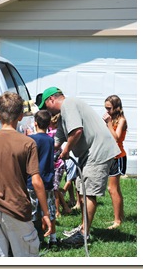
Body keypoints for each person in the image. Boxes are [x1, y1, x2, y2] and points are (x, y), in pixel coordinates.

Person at [38, 87, 121, 247]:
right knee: (81, 191)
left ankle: (84, 234)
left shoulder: (69, 104)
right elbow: (57, 140)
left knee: (88, 193)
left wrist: (67, 150)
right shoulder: (64, 114)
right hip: (88, 154)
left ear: (52, 100)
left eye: (45, 106)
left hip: (98, 151)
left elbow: (76, 131)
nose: (46, 111)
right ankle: (83, 227)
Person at [0, 92, 51, 257]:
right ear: (21, 116)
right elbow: (36, 181)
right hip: (17, 210)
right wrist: (46, 213)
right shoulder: (28, 143)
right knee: (25, 257)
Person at [27, 110, 59, 249]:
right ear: (48, 124)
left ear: (35, 123)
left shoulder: (31, 139)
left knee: (33, 212)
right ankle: (53, 239)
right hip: (48, 181)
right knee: (50, 210)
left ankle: (38, 239)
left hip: (32, 181)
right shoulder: (50, 140)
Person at [103, 95, 127, 229]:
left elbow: (116, 138)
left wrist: (108, 123)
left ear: (116, 107)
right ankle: (120, 217)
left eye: (109, 108)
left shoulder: (121, 120)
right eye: (105, 108)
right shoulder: (111, 119)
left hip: (118, 157)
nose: (107, 111)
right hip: (111, 156)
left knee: (112, 189)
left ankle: (117, 221)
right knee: (115, 189)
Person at [48, 114, 72, 218]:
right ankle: (66, 208)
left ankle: (57, 211)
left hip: (57, 164)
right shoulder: (53, 132)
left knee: (54, 189)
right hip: (57, 164)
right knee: (55, 188)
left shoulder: (52, 133)